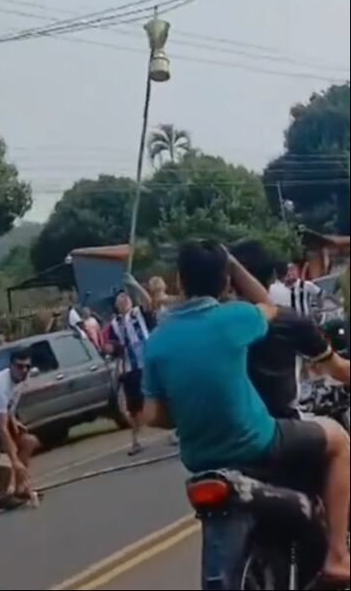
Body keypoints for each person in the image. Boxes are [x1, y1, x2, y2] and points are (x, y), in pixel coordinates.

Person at [142, 240, 350, 584]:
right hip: (262, 440)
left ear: (179, 280)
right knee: (340, 440)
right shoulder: (239, 319)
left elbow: (152, 414)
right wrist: (234, 266)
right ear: (227, 281)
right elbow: (269, 307)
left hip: (200, 459)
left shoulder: (158, 340)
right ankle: (338, 557)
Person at [231, 240, 350, 418]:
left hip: (228, 424)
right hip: (277, 424)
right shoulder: (285, 317)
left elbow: (327, 296)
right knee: (337, 436)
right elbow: (341, 370)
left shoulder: (213, 323)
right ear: (274, 275)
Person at [104, 282, 155, 455]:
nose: (123, 300)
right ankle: (136, 439)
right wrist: (110, 348)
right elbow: (110, 344)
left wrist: (134, 284)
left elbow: (149, 302)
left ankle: (175, 431)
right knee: (134, 406)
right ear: (116, 305)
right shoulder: (114, 324)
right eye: (120, 298)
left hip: (148, 362)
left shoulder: (138, 313)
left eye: (126, 297)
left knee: (163, 394)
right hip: (129, 368)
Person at [0, 347, 39, 512]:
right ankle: (3, 498)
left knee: (29, 442)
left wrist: (14, 420)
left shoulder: (24, 378)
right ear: (10, 366)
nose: (23, 370)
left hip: (4, 415)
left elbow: (11, 404)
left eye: (27, 366)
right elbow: (1, 428)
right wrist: (14, 459)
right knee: (6, 453)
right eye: (19, 366)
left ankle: (20, 490)